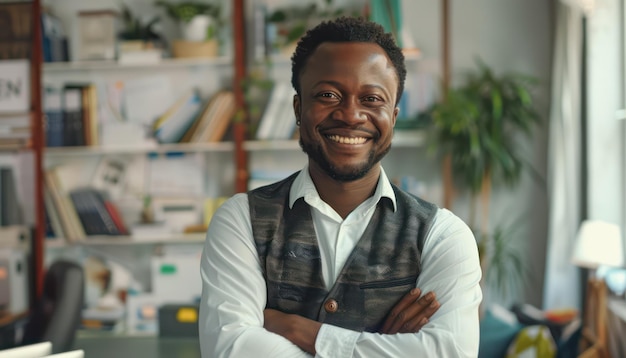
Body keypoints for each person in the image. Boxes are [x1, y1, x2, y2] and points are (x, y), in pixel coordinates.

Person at [199, 16, 482, 358]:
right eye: (328, 94)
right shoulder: (240, 219)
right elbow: (230, 349)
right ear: (298, 109)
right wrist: (386, 345)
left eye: (372, 99)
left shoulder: (443, 235)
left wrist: (303, 332)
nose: (350, 115)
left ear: (392, 116)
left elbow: (450, 353)